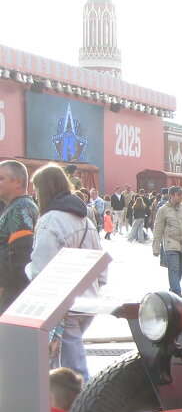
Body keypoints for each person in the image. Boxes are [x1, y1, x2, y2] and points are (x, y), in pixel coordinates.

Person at [27, 164, 106, 383]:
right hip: (88, 300)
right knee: (73, 363)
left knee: (70, 371)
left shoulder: (49, 221)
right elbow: (101, 266)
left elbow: (40, 270)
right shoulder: (86, 220)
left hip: (63, 304)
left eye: (35, 188)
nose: (34, 193)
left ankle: (79, 411)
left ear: (45, 189)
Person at [0, 159, 40, 313]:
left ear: (18, 182)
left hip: (12, 294)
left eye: (1, 178)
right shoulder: (15, 206)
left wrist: (3, 287)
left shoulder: (21, 208)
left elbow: (19, 257)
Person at [152, 186, 182, 296]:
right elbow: (158, 229)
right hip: (171, 244)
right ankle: (177, 293)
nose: (181, 197)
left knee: (180, 270)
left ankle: (173, 291)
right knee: (174, 268)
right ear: (171, 195)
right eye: (179, 194)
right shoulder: (163, 210)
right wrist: (155, 247)